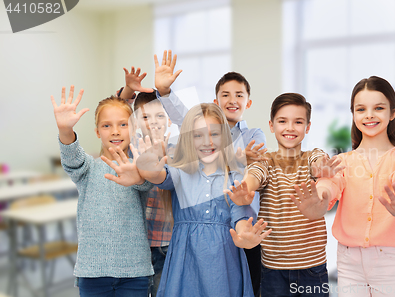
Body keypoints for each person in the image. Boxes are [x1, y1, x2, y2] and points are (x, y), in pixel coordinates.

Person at [111, 103, 271, 297]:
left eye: (214, 134)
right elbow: (159, 176)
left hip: (223, 267)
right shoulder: (181, 171)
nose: (207, 142)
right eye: (198, 135)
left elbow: (241, 222)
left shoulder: (235, 177)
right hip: (184, 266)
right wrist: (144, 169)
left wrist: (246, 238)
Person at [291, 76, 395, 297]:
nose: (369, 115)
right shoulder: (342, 161)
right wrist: (320, 199)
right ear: (353, 115)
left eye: (378, 108)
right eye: (361, 109)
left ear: (392, 113)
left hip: (390, 261)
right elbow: (329, 185)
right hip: (348, 261)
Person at [225, 93, 333, 297]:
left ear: (307, 127)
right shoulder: (266, 161)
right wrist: (246, 189)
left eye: (298, 122)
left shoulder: (312, 157)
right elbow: (255, 175)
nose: (290, 128)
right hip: (273, 269)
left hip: (313, 267)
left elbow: (320, 163)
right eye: (282, 121)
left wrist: (323, 168)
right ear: (272, 125)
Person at [51, 86, 154, 297]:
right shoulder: (88, 168)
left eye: (123, 125)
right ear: (98, 132)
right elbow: (72, 159)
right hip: (92, 273)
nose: (115, 131)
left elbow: (146, 184)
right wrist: (65, 130)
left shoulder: (140, 166)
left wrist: (138, 175)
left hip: (135, 272)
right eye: (107, 125)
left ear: (132, 129)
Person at [119, 49, 187, 297]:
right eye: (145, 117)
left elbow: (189, 122)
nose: (154, 121)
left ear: (170, 120)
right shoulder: (130, 149)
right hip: (134, 244)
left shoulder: (179, 149)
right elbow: (116, 116)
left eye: (161, 115)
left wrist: (166, 93)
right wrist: (127, 93)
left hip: (167, 243)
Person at [213, 71, 267, 297]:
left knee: (250, 285)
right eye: (225, 95)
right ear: (216, 102)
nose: (232, 100)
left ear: (248, 102)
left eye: (239, 95)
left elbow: (257, 160)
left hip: (246, 220)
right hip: (215, 224)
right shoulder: (207, 135)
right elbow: (202, 161)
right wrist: (236, 157)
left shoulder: (254, 133)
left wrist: (226, 158)